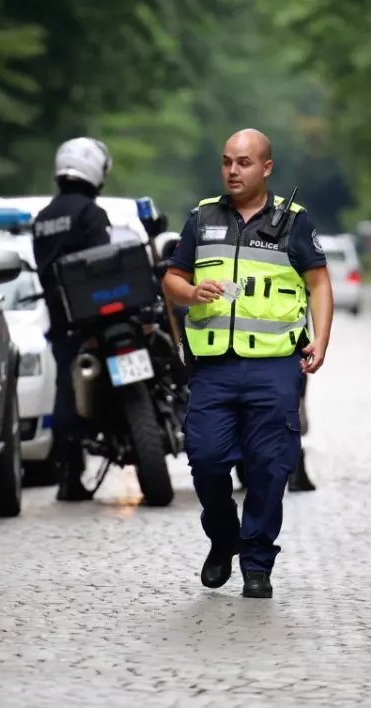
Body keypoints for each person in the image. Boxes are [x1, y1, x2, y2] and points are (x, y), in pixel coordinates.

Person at [163, 128, 333, 599]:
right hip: (214, 367)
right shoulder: (203, 217)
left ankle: (257, 562)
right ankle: (223, 538)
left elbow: (319, 283)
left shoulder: (293, 222)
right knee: (206, 460)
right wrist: (190, 291)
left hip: (274, 368)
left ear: (266, 168)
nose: (233, 171)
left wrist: (320, 340)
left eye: (243, 162)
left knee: (268, 467)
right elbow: (173, 278)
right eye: (227, 162)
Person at [32, 137, 113, 502]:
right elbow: (104, 262)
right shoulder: (91, 214)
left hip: (62, 320)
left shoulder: (44, 219)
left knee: (68, 392)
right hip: (97, 315)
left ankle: (69, 475)